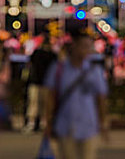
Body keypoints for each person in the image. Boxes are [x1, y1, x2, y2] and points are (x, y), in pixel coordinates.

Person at [44, 29, 109, 159]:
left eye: (88, 47)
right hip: (65, 125)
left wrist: (103, 123)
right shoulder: (59, 69)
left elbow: (101, 99)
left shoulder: (94, 71)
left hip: (89, 126)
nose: (86, 50)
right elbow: (51, 96)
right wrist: (49, 123)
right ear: (74, 46)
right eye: (83, 46)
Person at [24, 34, 56, 133]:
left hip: (35, 81)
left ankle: (32, 123)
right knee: (44, 104)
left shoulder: (36, 53)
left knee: (33, 103)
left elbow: (29, 64)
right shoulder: (52, 55)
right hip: (46, 83)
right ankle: (42, 123)